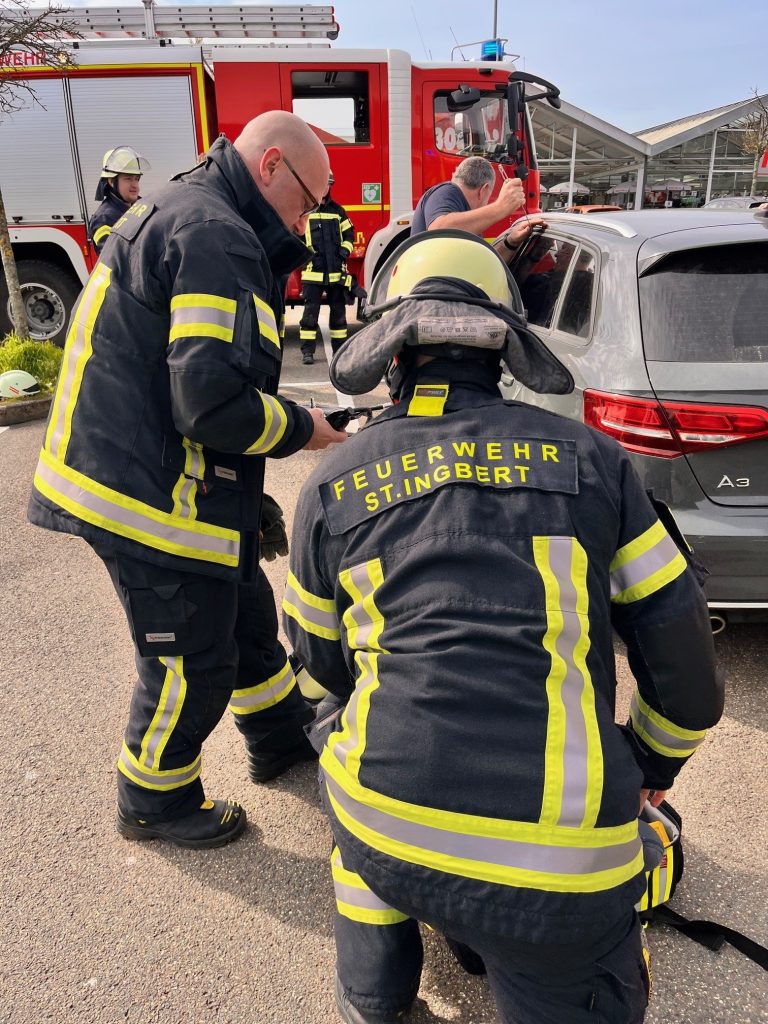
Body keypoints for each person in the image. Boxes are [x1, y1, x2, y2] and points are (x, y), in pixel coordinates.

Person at [283, 230, 723, 1024]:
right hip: (557, 871)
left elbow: (318, 667)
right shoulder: (595, 464)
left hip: (385, 827)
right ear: (506, 350)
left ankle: (373, 997)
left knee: (357, 773)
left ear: (391, 352)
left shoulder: (332, 484)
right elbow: (687, 672)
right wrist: (646, 763)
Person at [28, 111, 348, 850]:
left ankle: (277, 737)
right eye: (307, 198)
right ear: (271, 165)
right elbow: (209, 404)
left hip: (137, 461)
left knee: (241, 606)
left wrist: (241, 493)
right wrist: (307, 430)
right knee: (189, 659)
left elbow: (194, 386)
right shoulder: (219, 238)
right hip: (138, 493)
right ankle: (154, 799)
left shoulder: (193, 206)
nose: (307, 219)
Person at [411, 154, 545, 258]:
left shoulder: (468, 222)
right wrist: (501, 207)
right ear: (484, 190)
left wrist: (510, 242)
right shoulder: (446, 192)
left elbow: (486, 263)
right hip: (428, 291)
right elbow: (439, 231)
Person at [299, 173, 355, 364]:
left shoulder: (338, 211)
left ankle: (340, 351)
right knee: (310, 314)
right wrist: (306, 254)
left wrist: (343, 252)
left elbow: (349, 236)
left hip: (336, 273)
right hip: (313, 272)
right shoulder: (304, 211)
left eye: (327, 185)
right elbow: (296, 236)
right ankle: (308, 352)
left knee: (338, 313)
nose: (324, 188)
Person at [89, 146, 150, 253]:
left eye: (137, 179)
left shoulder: (142, 206)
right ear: (111, 181)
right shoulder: (104, 219)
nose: (135, 185)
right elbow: (113, 259)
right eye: (128, 179)